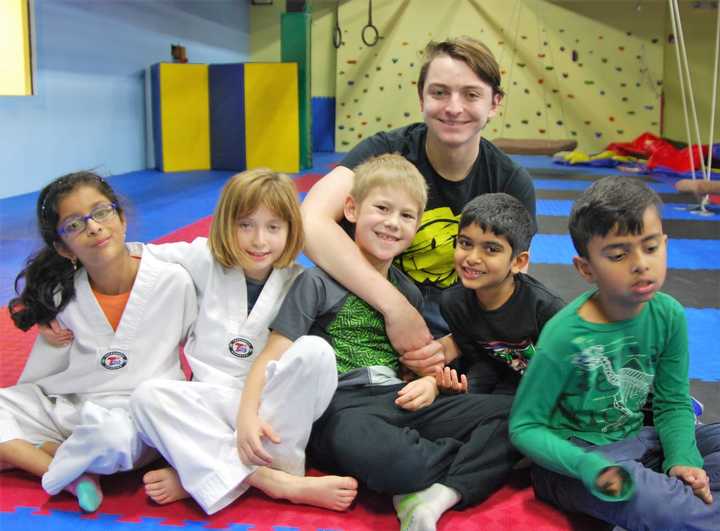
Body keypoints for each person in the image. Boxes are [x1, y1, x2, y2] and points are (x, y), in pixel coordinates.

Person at [254, 154, 517, 531]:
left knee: (518, 415)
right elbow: (277, 356)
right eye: (382, 209)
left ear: (417, 225)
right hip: (343, 408)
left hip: (398, 399)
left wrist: (428, 382)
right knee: (394, 461)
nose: (393, 223)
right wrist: (250, 414)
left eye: (406, 216)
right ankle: (462, 465)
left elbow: (410, 367)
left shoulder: (407, 291)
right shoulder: (317, 282)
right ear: (352, 209)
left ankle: (441, 488)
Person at [129, 169, 357, 515]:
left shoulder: (301, 281)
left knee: (317, 352)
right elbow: (133, 258)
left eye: (273, 227)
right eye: (245, 225)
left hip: (271, 411)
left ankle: (202, 472)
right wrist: (56, 294)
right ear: (225, 225)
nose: (259, 240)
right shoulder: (202, 257)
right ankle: (270, 480)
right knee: (146, 398)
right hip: (210, 403)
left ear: (291, 230)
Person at [301, 36, 537, 362]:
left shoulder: (510, 181)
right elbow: (309, 220)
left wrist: (451, 346)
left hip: (456, 329)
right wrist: (394, 306)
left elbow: (511, 281)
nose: (453, 108)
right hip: (365, 310)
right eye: (439, 92)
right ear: (421, 98)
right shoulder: (384, 151)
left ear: (494, 103)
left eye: (471, 95)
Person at [509, 176, 720, 530]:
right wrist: (586, 467)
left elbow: (672, 402)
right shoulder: (564, 336)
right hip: (580, 462)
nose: (640, 264)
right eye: (619, 255)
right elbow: (525, 427)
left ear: (665, 244)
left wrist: (683, 459)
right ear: (585, 268)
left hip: (644, 440)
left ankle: (681, 503)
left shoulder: (668, 315)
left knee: (682, 469)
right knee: (642, 495)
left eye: (651, 248)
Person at [0, 171, 197, 512]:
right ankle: (70, 476)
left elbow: (205, 349)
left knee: (112, 440)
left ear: (121, 218)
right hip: (71, 409)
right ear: (63, 247)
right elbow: (42, 379)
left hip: (136, 418)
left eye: (101, 212)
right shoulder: (62, 295)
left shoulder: (172, 281)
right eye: (74, 225)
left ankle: (44, 454)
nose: (93, 227)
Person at [410, 193, 564, 394]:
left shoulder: (546, 309)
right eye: (465, 243)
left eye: (491, 249)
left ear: (518, 262)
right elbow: (485, 363)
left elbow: (570, 373)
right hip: (505, 391)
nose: (473, 258)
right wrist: (465, 389)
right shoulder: (454, 304)